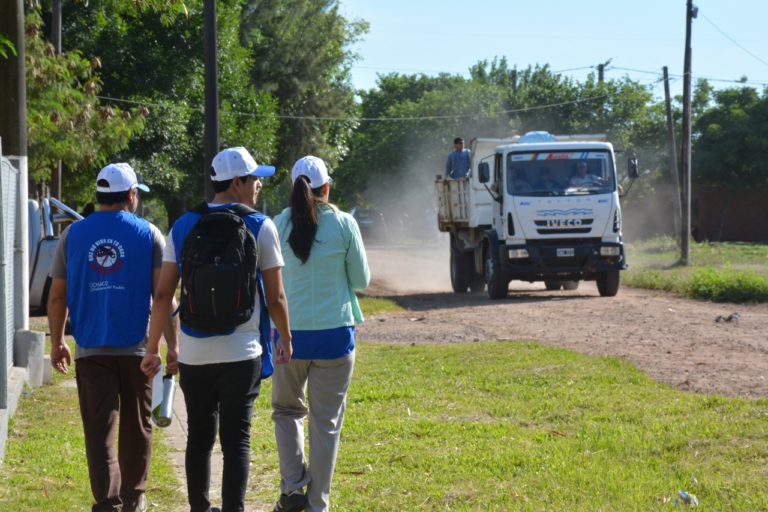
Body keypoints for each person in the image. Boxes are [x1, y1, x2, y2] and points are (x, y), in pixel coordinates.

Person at [140, 147, 293, 512]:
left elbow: (163, 294)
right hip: (243, 352)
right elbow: (276, 298)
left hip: (195, 351)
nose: (258, 185)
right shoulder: (260, 225)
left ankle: (199, 508)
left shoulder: (183, 224)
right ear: (237, 182)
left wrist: (151, 349)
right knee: (237, 439)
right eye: (254, 178)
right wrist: (285, 337)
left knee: (199, 436)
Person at [48, 162, 178, 512]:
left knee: (98, 430)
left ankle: (108, 502)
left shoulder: (72, 235)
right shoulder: (149, 233)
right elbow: (163, 294)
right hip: (138, 349)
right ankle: (134, 498)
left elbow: (57, 296)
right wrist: (172, 346)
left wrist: (58, 341)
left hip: (90, 349)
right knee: (138, 427)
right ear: (131, 196)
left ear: (100, 196)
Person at [270, 156, 370, 512]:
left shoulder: (277, 225)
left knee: (286, 410)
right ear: (327, 187)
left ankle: (294, 487)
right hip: (335, 338)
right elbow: (361, 280)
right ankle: (317, 505)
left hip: (288, 337)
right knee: (325, 423)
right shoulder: (344, 224)